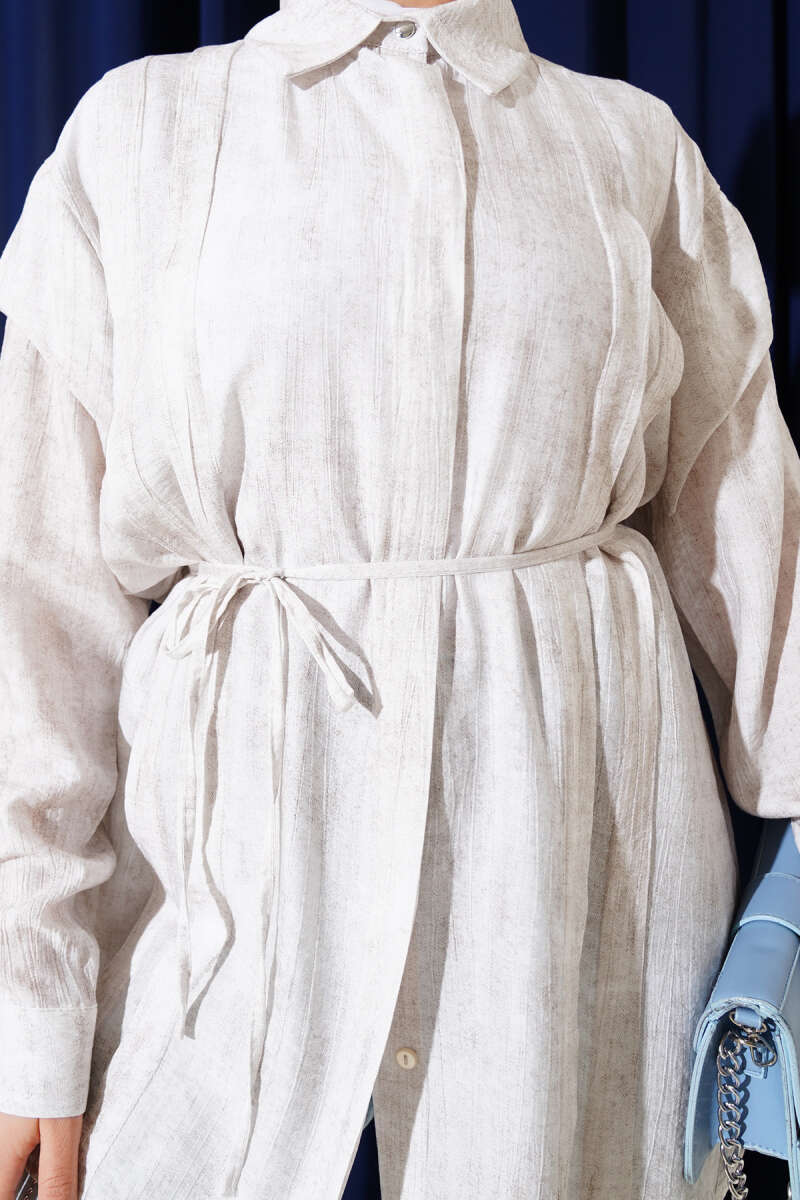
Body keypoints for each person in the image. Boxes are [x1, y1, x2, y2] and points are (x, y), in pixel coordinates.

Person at [0, 0, 797, 1195]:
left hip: (565, 903)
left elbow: (751, 541)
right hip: (229, 919)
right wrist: (33, 1009)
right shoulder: (141, 134)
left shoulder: (626, 147)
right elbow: (39, 608)